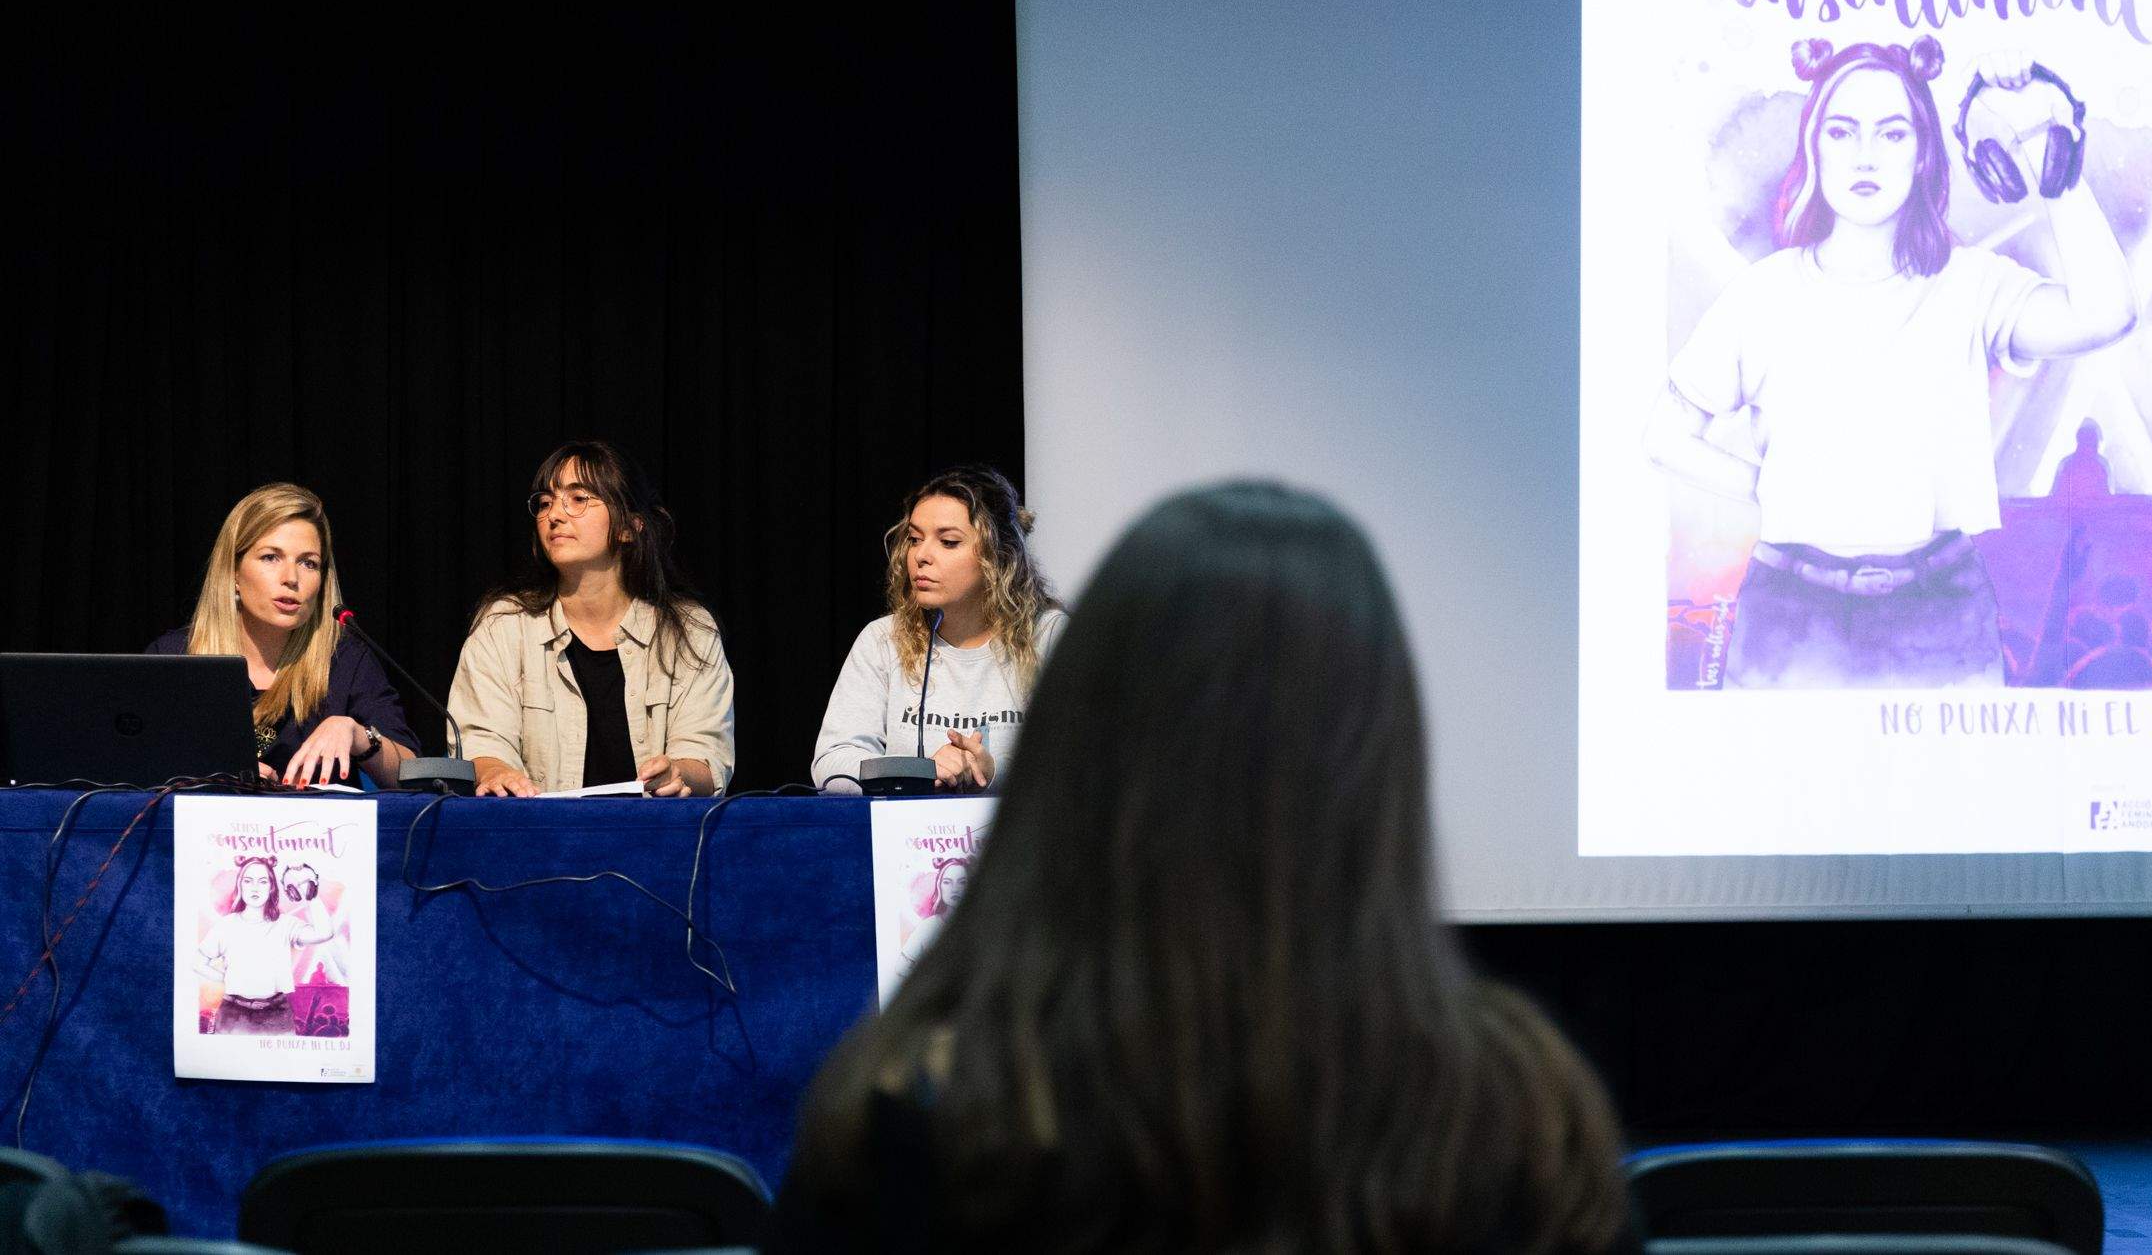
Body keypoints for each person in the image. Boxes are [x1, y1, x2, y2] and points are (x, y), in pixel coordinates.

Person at [769, 483, 1635, 1254]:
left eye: (947, 538)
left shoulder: (913, 1110)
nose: (921, 554)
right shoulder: (1520, 1120)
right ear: (1383, 751)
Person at [1646, 37, 2138, 688]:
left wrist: (2049, 145)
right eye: (1842, 132)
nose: (1866, 156)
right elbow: (1664, 435)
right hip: (1794, 619)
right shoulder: (1763, 295)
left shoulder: (1973, 285)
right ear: (1814, 148)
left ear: (1922, 152)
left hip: (1943, 614)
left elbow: (2107, 315)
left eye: (1893, 132)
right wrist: (1770, 485)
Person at [448, 441, 734, 796]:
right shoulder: (504, 626)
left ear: (629, 527)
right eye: (545, 502)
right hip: (540, 838)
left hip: (657, 838)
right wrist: (496, 772)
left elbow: (706, 755)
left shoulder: (690, 631)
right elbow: (479, 741)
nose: (554, 514)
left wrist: (679, 774)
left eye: (578, 499)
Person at [812, 466, 1065, 792]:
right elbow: (832, 762)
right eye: (915, 539)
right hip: (908, 840)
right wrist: (918, 773)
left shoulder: (1047, 636)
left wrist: (991, 770)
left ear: (999, 556)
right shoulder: (882, 640)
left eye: (948, 542)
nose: (921, 555)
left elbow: (1087, 763)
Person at [148, 483, 418, 787]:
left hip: (318, 834)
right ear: (233, 571)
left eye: (308, 563)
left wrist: (358, 734)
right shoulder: (173, 656)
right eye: (270, 557)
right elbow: (129, 767)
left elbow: (412, 776)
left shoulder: (345, 660)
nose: (291, 578)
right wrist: (208, 772)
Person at [195, 856, 336, 1035]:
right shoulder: (226, 926)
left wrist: (310, 892)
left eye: (262, 881)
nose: (254, 887)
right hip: (233, 1016)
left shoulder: (286, 925)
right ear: (240, 886)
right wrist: (226, 977)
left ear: (271, 888)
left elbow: (325, 933)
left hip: (278, 1015)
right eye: (248, 881)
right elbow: (198, 963)